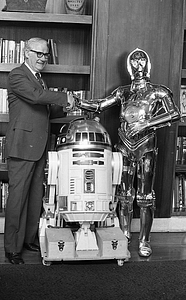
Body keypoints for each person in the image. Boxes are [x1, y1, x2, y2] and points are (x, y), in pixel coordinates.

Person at [74, 48, 180, 257]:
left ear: (148, 65)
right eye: (134, 61)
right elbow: (100, 105)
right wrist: (76, 101)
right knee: (124, 194)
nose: (138, 65)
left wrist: (147, 123)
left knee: (145, 196)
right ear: (129, 66)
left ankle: (144, 239)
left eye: (141, 61)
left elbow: (175, 113)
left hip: (146, 144)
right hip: (123, 144)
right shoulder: (123, 92)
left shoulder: (158, 91)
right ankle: (124, 234)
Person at [4, 37, 74, 264]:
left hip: (40, 147)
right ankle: (12, 249)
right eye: (39, 53)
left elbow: (46, 111)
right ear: (26, 52)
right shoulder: (17, 75)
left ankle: (28, 240)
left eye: (46, 55)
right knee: (18, 198)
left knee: (35, 197)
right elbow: (36, 98)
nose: (43, 58)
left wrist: (76, 108)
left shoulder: (40, 81)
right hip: (22, 147)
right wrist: (65, 97)